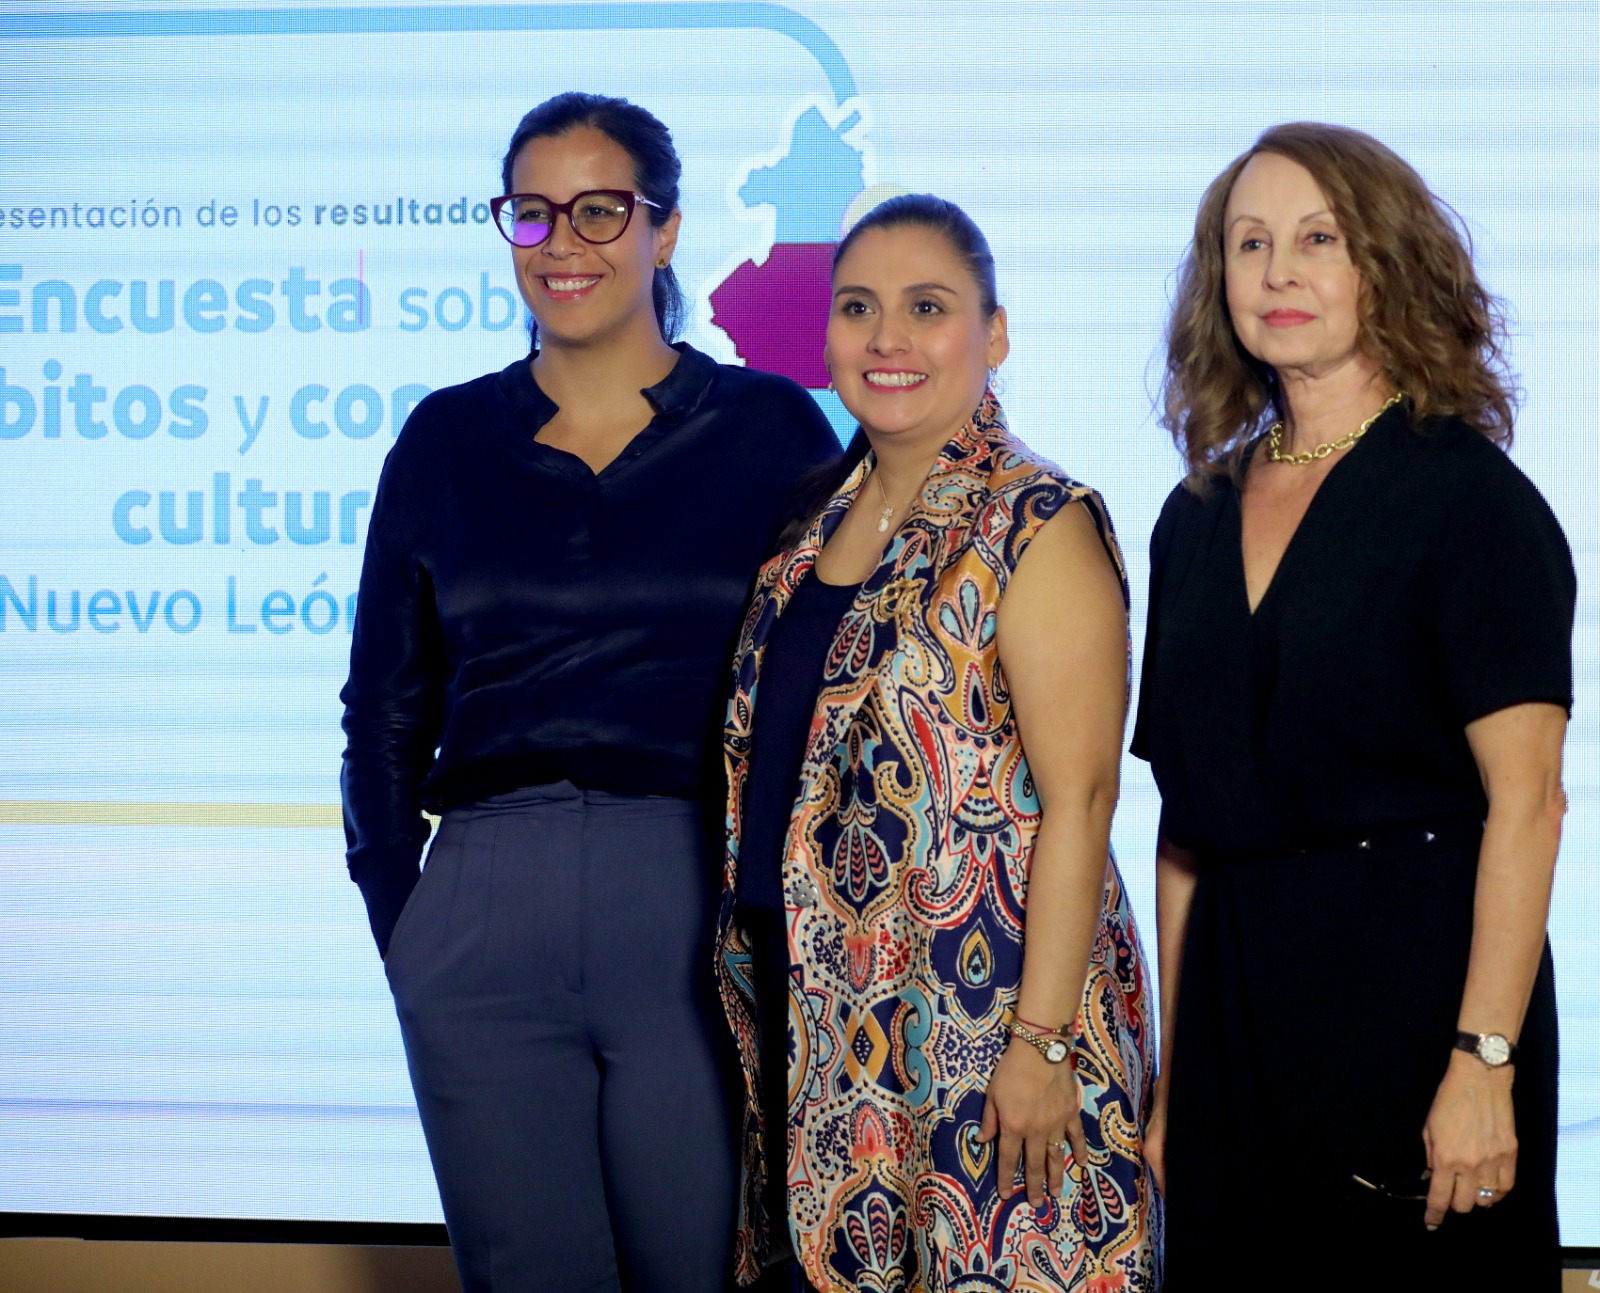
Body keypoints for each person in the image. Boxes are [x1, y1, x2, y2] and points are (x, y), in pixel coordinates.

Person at [338, 91, 839, 1293]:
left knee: (701, 1266)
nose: (562, 242)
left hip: (689, 895)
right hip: (482, 901)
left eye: (600, 210)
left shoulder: (770, 429)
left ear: (665, 229)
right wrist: (407, 925)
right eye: (533, 212)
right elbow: (382, 708)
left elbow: (823, 689)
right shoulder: (444, 440)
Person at [1135, 121, 1575, 1287]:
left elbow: (1528, 803)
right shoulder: (1192, 516)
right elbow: (1185, 833)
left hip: (1419, 1007)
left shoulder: (1470, 501)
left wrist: (1482, 1059)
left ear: (1384, 264)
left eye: (1317, 239)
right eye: (1249, 243)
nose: (1276, 271)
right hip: (1236, 1017)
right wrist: (1177, 1081)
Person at [716, 194, 1158, 1292]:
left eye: (927, 307)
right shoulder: (807, 528)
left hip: (987, 1027)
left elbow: (1082, 801)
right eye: (858, 308)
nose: (888, 338)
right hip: (826, 1028)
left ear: (992, 334)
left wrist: (1042, 1044)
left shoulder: (1035, 520)